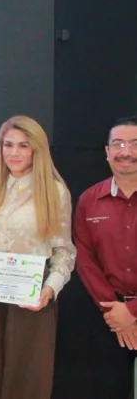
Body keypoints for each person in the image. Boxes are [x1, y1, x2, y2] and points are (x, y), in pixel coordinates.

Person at [0, 115, 75, 399]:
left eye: (23, 146)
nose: (14, 153)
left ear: (37, 149)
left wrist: (49, 290)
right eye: (8, 145)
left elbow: (64, 251)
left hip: (32, 301)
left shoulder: (55, 192)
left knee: (27, 380)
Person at [74, 116, 137, 398]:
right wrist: (116, 313)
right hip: (109, 318)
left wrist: (132, 311)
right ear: (107, 152)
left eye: (135, 144)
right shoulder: (89, 200)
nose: (126, 152)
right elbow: (85, 260)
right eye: (118, 144)